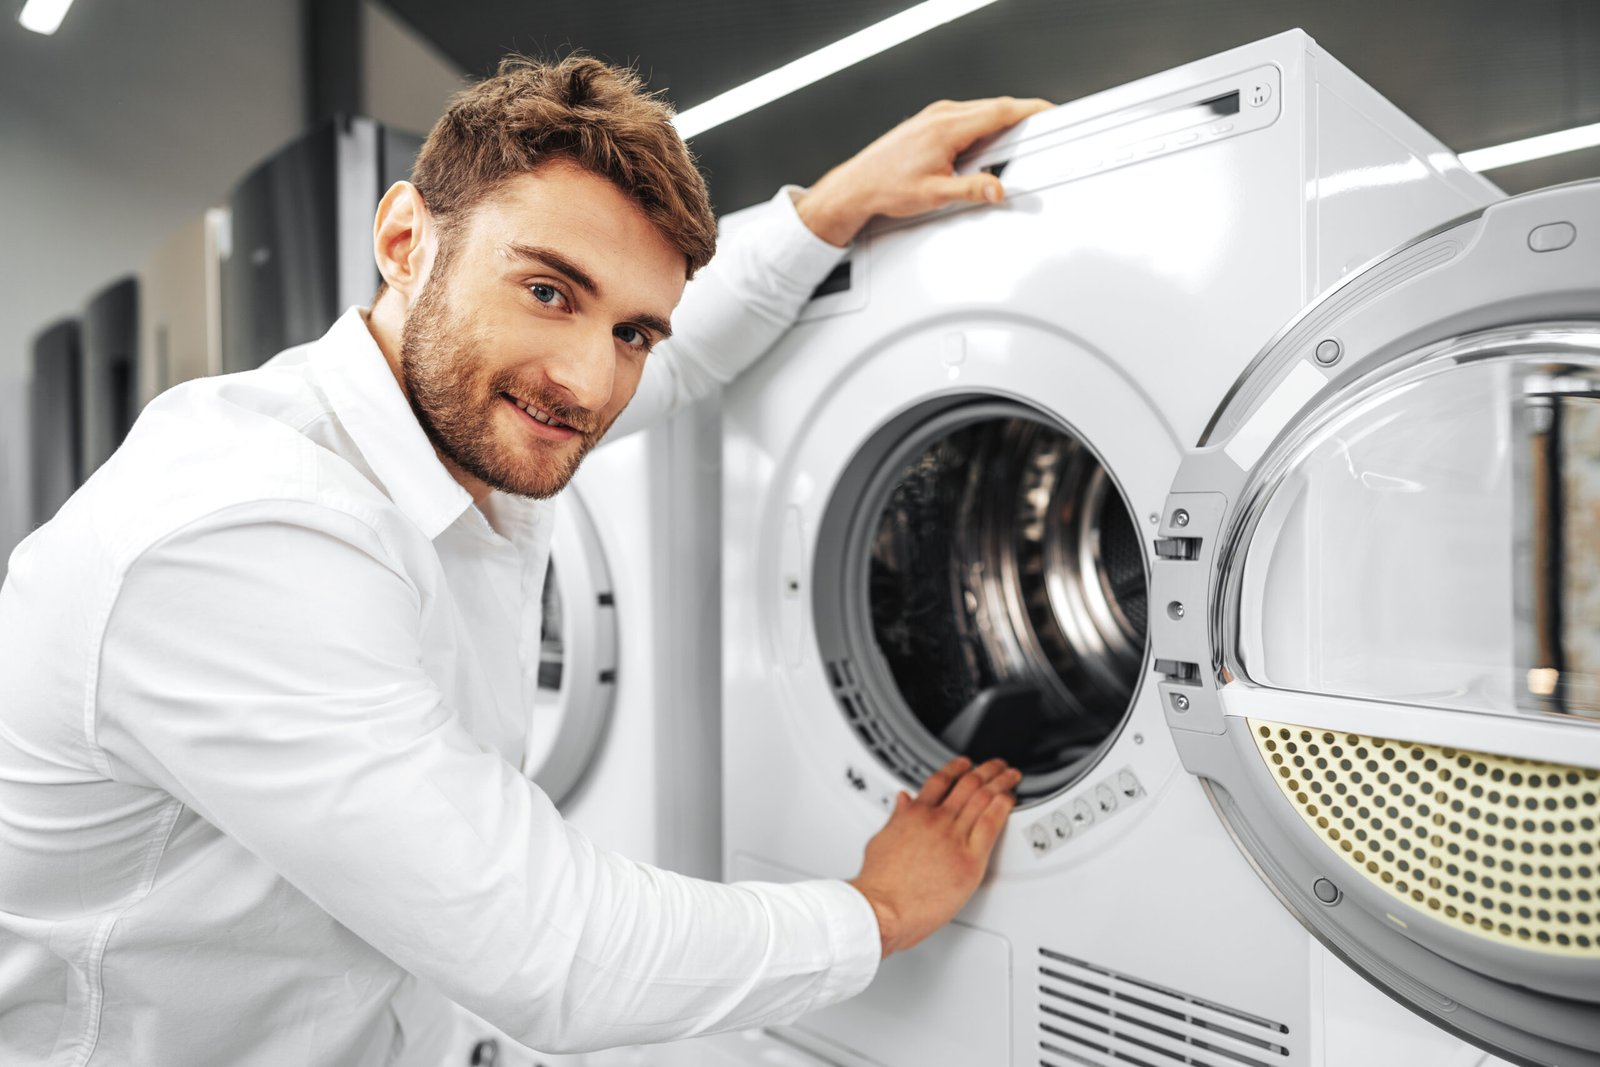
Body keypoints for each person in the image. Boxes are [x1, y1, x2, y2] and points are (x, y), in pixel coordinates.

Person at [0, 55, 1049, 1066]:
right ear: (405, 238)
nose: (590, 382)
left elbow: (682, 362)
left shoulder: (448, 422)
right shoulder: (241, 532)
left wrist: (824, 212)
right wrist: (878, 909)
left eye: (632, 331)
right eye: (549, 291)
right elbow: (550, 949)